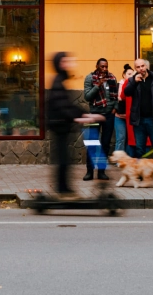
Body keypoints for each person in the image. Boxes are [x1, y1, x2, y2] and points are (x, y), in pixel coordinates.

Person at [47, 52, 104, 198]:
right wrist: (80, 117)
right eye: (66, 61)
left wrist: (85, 115)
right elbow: (63, 107)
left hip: (62, 126)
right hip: (59, 126)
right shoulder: (58, 82)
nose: (70, 63)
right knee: (63, 160)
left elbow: (69, 106)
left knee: (65, 159)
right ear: (60, 64)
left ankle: (64, 189)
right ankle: (63, 190)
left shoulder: (60, 81)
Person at [124, 59, 153, 177]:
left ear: (146, 66)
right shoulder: (132, 80)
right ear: (135, 69)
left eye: (143, 66)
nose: (141, 69)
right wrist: (134, 82)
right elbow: (127, 92)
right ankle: (141, 173)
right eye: (138, 67)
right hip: (139, 121)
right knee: (140, 149)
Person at [82, 58, 118, 180]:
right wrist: (97, 86)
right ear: (97, 66)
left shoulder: (112, 78)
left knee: (105, 144)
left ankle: (101, 172)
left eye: (106, 67)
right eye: (102, 66)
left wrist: (114, 109)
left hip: (108, 115)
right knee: (92, 144)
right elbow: (87, 97)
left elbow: (116, 96)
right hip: (94, 114)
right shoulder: (90, 78)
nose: (104, 69)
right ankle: (89, 172)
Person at [114, 64, 134, 154]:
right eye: (129, 74)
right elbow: (116, 99)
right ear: (124, 75)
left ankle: (128, 159)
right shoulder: (118, 85)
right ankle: (118, 159)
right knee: (121, 138)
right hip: (119, 116)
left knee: (130, 139)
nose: (131, 76)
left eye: (132, 74)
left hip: (130, 117)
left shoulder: (134, 85)